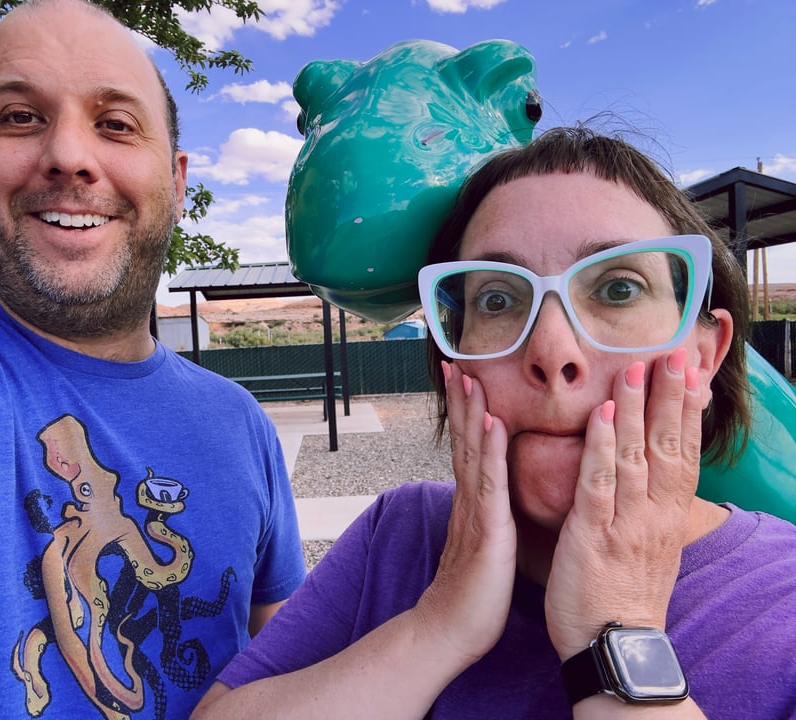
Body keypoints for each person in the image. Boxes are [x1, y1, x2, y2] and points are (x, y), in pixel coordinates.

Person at [191, 126, 796, 719]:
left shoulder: (783, 593)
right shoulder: (398, 535)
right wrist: (438, 625)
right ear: (455, 362)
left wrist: (616, 638)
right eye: (498, 300)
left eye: (618, 289)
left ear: (703, 355)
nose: (551, 351)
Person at [0, 1, 306, 717]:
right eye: (20, 116)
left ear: (177, 179)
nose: (68, 155)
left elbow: (289, 664)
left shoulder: (240, 425)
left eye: (115, 124)